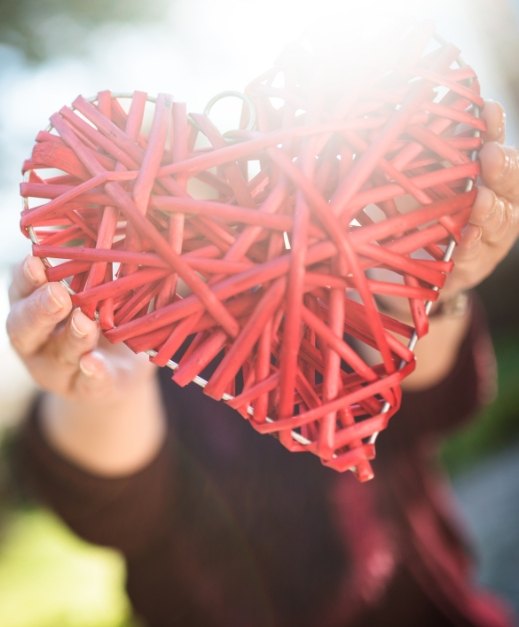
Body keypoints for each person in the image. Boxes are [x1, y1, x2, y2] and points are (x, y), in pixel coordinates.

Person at [5, 100, 519, 627]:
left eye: (192, 191)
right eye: (155, 211)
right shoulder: (133, 349)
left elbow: (428, 398)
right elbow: (110, 502)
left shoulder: (317, 276)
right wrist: (106, 390)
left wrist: (429, 289)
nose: (182, 217)